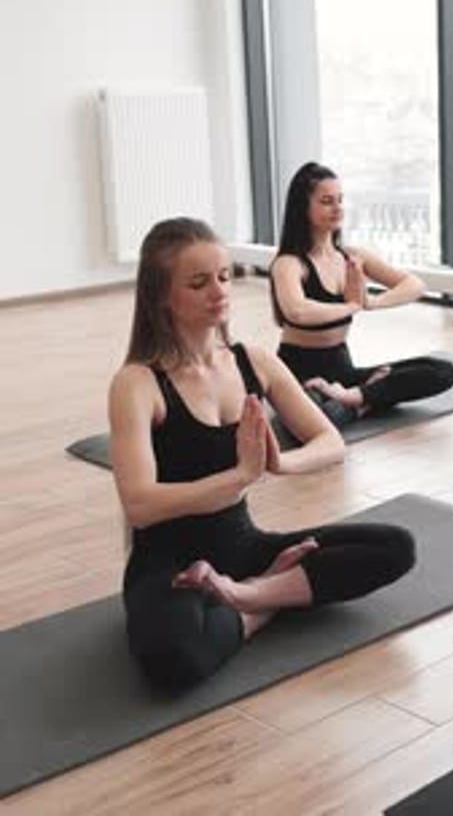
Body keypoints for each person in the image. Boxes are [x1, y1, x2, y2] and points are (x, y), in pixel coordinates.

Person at [109, 217, 416, 690]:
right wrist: (239, 477)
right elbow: (140, 504)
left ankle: (250, 595)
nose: (219, 291)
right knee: (174, 659)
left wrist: (279, 464)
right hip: (168, 563)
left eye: (225, 276)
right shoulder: (138, 383)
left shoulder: (253, 361)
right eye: (198, 282)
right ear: (159, 296)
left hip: (242, 548)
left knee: (395, 546)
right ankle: (264, 606)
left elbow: (329, 442)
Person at [270, 162, 453, 428]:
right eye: (326, 201)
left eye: (340, 200)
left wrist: (371, 302)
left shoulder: (352, 256)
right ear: (303, 207)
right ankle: (365, 399)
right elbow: (297, 310)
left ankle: (353, 397)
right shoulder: (289, 263)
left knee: (442, 371)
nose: (338, 208)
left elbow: (414, 284)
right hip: (298, 372)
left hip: (342, 370)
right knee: (320, 418)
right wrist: (352, 305)